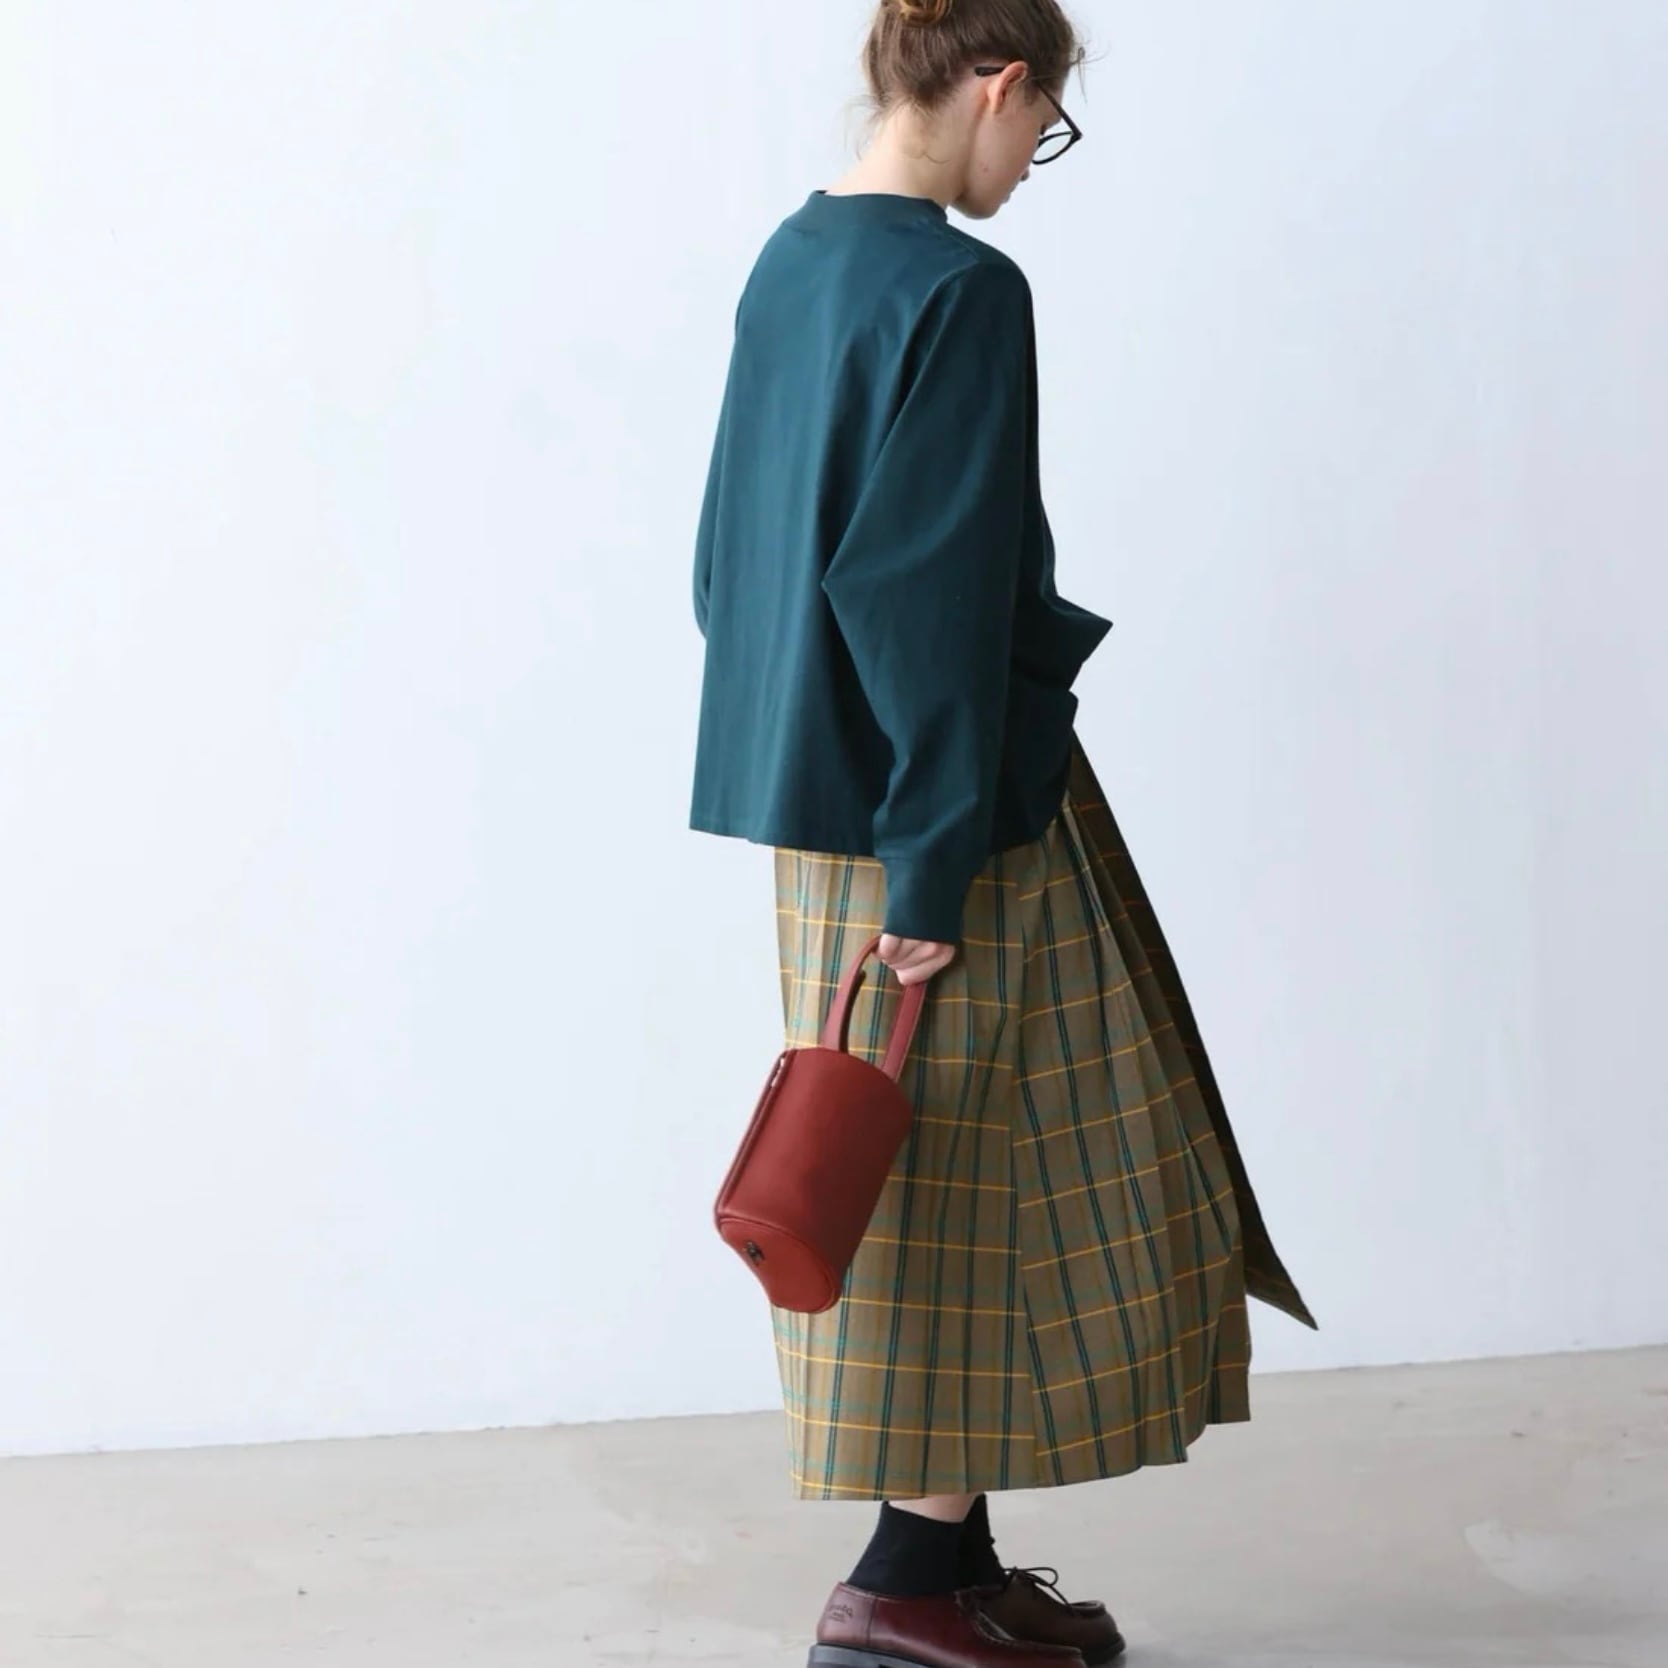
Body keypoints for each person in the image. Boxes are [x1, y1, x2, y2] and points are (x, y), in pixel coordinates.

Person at [690, 2, 1316, 1663]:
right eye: (1044, 128)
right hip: (937, 807)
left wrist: (842, 779)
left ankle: (941, 1567)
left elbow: (728, 560)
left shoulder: (792, 260)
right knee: (982, 1171)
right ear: (998, 84)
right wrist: (933, 857)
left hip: (824, 793)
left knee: (917, 1163)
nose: (1034, 162)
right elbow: (928, 592)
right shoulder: (963, 290)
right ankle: (903, 1588)